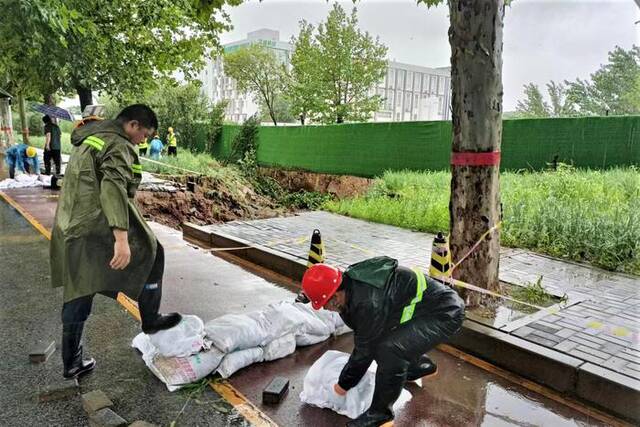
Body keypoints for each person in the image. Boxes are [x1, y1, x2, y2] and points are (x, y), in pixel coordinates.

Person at [50, 104, 182, 380]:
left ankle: (148, 320)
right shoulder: (118, 144)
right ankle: (75, 359)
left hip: (72, 222)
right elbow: (112, 188)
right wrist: (121, 238)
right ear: (132, 125)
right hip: (93, 226)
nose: (143, 141)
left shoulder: (90, 136)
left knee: (84, 286)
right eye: (144, 135)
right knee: (144, 255)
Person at [302, 256, 465, 427]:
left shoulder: (368, 301)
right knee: (389, 343)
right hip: (422, 308)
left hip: (444, 312)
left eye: (325, 304)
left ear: (334, 295)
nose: (326, 309)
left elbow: (365, 350)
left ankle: (380, 415)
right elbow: (366, 335)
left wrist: (342, 385)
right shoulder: (351, 288)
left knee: (391, 350)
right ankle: (419, 367)